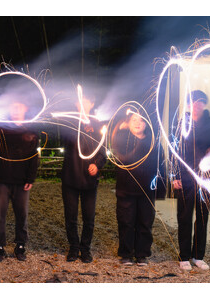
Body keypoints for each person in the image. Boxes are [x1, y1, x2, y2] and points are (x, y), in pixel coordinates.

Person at [172, 90, 210, 271]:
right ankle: (183, 256)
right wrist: (175, 176)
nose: (197, 105)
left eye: (200, 102)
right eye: (193, 102)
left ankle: (198, 256)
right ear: (189, 104)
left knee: (202, 217)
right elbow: (174, 150)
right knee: (184, 216)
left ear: (204, 104)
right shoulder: (181, 122)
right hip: (185, 176)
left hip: (205, 176)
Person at [0, 101, 39, 262]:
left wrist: (31, 178)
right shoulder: (2, 128)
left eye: (20, 106)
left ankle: (20, 246)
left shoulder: (31, 130)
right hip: (1, 180)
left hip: (22, 182)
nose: (16, 109)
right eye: (13, 106)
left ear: (26, 108)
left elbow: (34, 156)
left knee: (22, 215)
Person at [60, 93, 107, 263]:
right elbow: (66, 140)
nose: (82, 104)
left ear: (92, 103)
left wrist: (97, 164)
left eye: (86, 101)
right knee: (70, 216)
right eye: (79, 102)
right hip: (70, 177)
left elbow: (103, 151)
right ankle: (74, 247)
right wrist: (77, 122)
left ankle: (85, 249)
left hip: (89, 180)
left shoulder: (98, 124)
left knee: (89, 218)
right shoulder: (70, 122)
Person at [112, 111, 159, 266]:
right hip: (126, 189)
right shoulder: (122, 139)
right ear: (128, 122)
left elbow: (160, 163)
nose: (138, 123)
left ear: (146, 124)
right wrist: (120, 126)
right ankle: (126, 254)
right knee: (126, 221)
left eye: (141, 120)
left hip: (147, 189)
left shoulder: (152, 142)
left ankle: (142, 254)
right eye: (133, 120)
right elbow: (118, 152)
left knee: (145, 222)